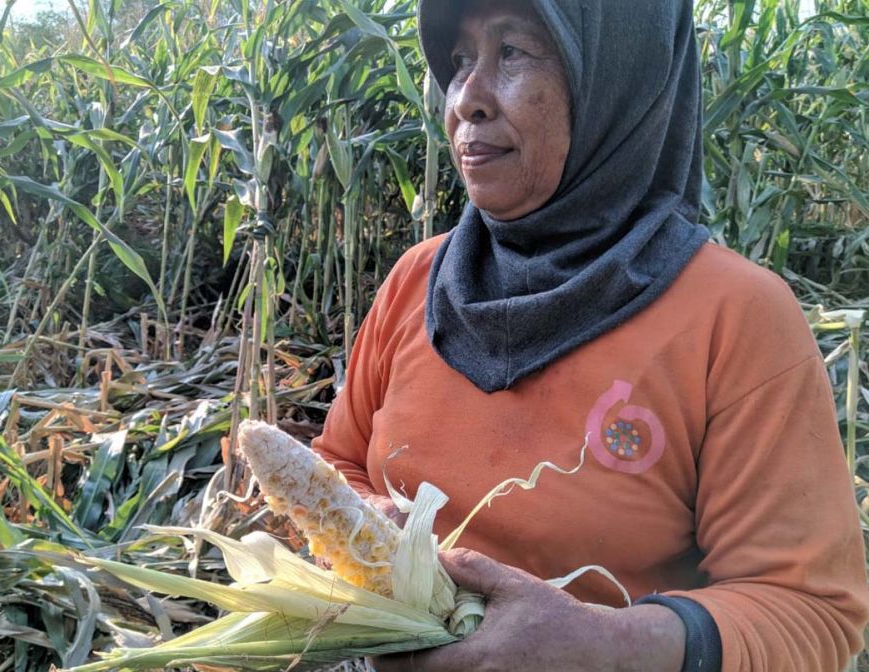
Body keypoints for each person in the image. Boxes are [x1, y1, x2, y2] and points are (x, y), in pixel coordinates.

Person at [312, 0, 869, 669]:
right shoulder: (416, 281)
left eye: (512, 52)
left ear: (616, 79)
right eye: (460, 61)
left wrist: (610, 646)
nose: (469, 100)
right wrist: (373, 532)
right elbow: (337, 465)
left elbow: (813, 611)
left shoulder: (736, 317)